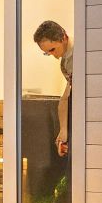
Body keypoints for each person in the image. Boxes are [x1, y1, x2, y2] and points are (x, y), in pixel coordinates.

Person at [32, 19, 74, 157]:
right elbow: (66, 96)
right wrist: (63, 130)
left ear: (63, 38)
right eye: (47, 53)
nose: (53, 55)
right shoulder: (65, 60)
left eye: (53, 50)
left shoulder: (79, 54)